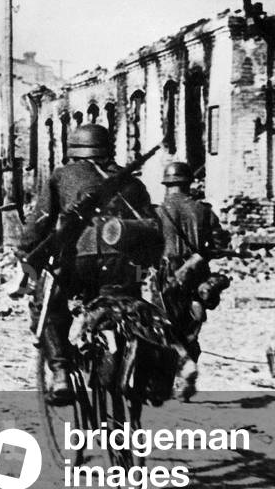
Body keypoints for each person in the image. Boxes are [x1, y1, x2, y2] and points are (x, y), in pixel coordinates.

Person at [18, 124, 164, 405]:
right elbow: (153, 232)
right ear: (107, 149)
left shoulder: (63, 176)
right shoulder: (132, 182)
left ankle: (60, 372)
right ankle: (148, 377)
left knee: (45, 303)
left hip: (80, 262)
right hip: (123, 266)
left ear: (74, 151)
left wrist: (25, 255)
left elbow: (40, 222)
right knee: (134, 311)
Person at [153, 162, 230, 402]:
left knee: (165, 328)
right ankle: (186, 374)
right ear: (189, 184)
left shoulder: (155, 212)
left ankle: (177, 374)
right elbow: (220, 246)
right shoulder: (203, 211)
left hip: (164, 275)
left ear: (166, 185)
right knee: (191, 328)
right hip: (197, 276)